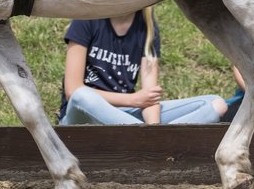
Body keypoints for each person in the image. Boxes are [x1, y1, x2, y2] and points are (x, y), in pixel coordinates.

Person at [59, 8, 228, 125]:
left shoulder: (147, 27)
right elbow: (73, 90)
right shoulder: (87, 19)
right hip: (82, 115)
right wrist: (133, 100)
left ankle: (151, 140)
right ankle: (146, 140)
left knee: (216, 103)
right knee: (83, 96)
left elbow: (150, 96)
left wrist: (153, 128)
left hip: (124, 114)